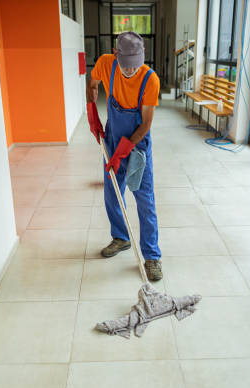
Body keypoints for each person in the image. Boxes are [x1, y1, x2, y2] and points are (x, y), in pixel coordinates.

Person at [86, 31, 162, 281]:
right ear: (115, 54)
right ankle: (121, 237)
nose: (130, 70)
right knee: (112, 193)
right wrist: (92, 112)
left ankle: (152, 256)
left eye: (135, 65)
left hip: (137, 146)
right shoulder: (105, 64)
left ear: (142, 56)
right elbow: (92, 84)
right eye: (126, 65)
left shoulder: (150, 79)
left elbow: (145, 124)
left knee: (145, 200)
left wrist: (123, 152)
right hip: (112, 139)